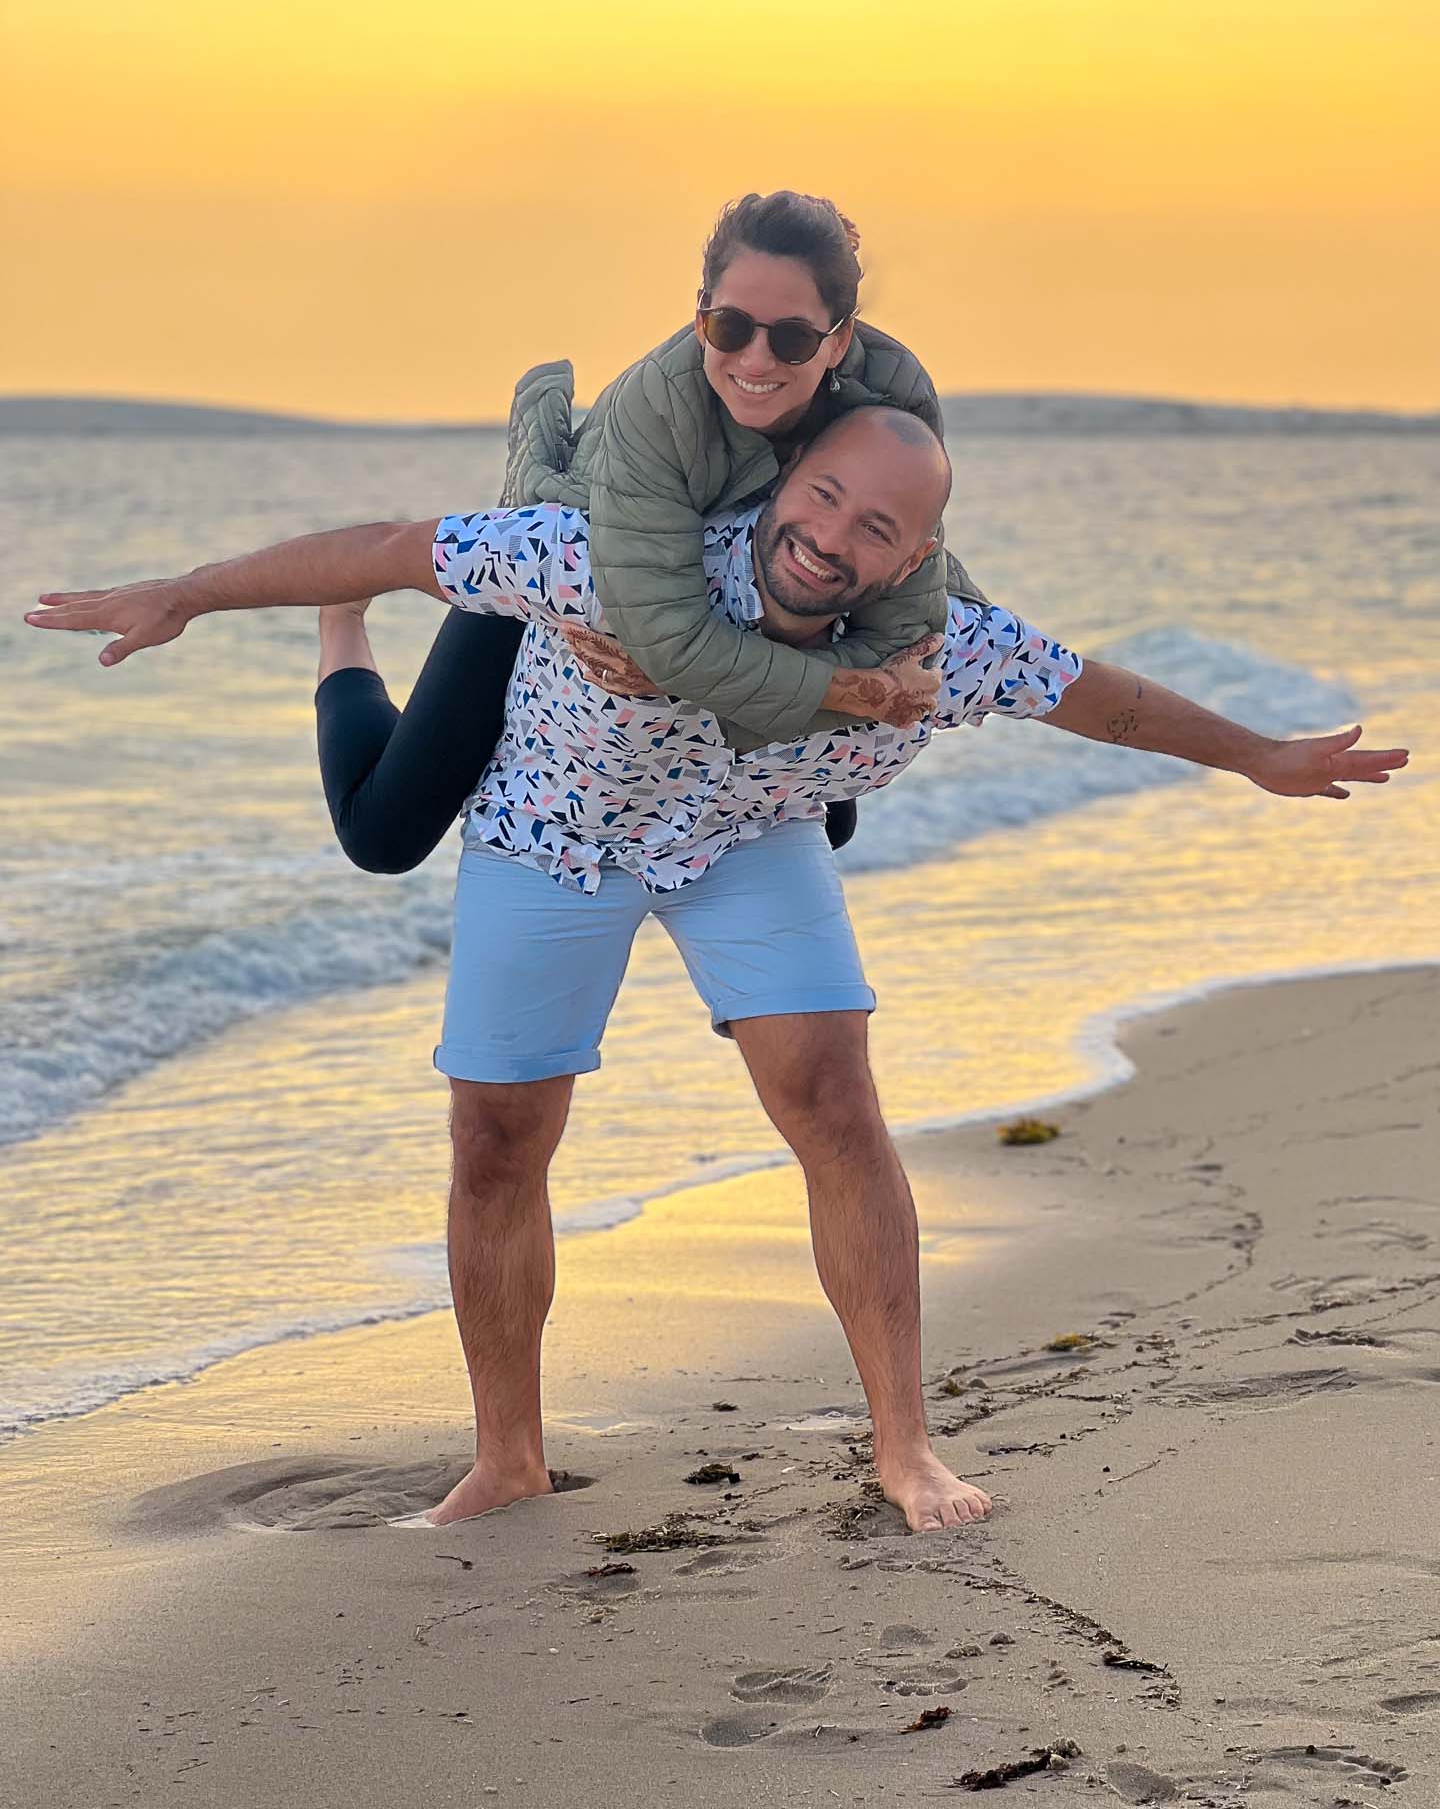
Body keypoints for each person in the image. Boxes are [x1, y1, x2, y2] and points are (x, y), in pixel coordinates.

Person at [25, 405, 1408, 1534]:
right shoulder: (617, 558)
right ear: (779, 482)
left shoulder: (940, 636)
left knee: (832, 1096)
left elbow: (1102, 694)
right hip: (549, 828)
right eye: (822, 498)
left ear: (923, 552)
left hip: (747, 836)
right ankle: (508, 1455)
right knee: (496, 1133)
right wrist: (189, 594)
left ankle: (904, 1447)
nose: (833, 538)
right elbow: (391, 545)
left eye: (880, 526)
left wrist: (1263, 757)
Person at [308, 188, 987, 879]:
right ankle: (340, 621)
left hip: (746, 615)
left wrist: (980, 656)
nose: (757, 360)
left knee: (821, 821)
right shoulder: (659, 399)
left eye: (793, 338)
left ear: (838, 337)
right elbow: (661, 640)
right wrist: (831, 688)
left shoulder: (894, 393)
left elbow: (909, 554)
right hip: (591, 564)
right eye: (731, 328)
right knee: (385, 836)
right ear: (703, 317)